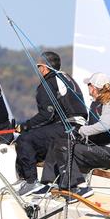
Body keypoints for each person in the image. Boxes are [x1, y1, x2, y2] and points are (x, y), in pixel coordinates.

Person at [14, 51, 87, 195]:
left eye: (39, 66)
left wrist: (25, 126)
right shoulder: (66, 77)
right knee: (37, 137)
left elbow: (47, 115)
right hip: (78, 126)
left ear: (44, 67)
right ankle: (47, 180)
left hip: (68, 127)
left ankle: (31, 182)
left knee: (24, 139)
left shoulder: (48, 83)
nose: (38, 70)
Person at [41, 72, 110, 190]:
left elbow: (104, 126)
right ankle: (48, 183)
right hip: (96, 149)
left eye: (88, 84)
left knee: (65, 147)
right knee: (57, 143)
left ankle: (78, 185)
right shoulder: (96, 103)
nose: (87, 87)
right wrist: (77, 133)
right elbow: (91, 127)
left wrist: (82, 130)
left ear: (93, 87)